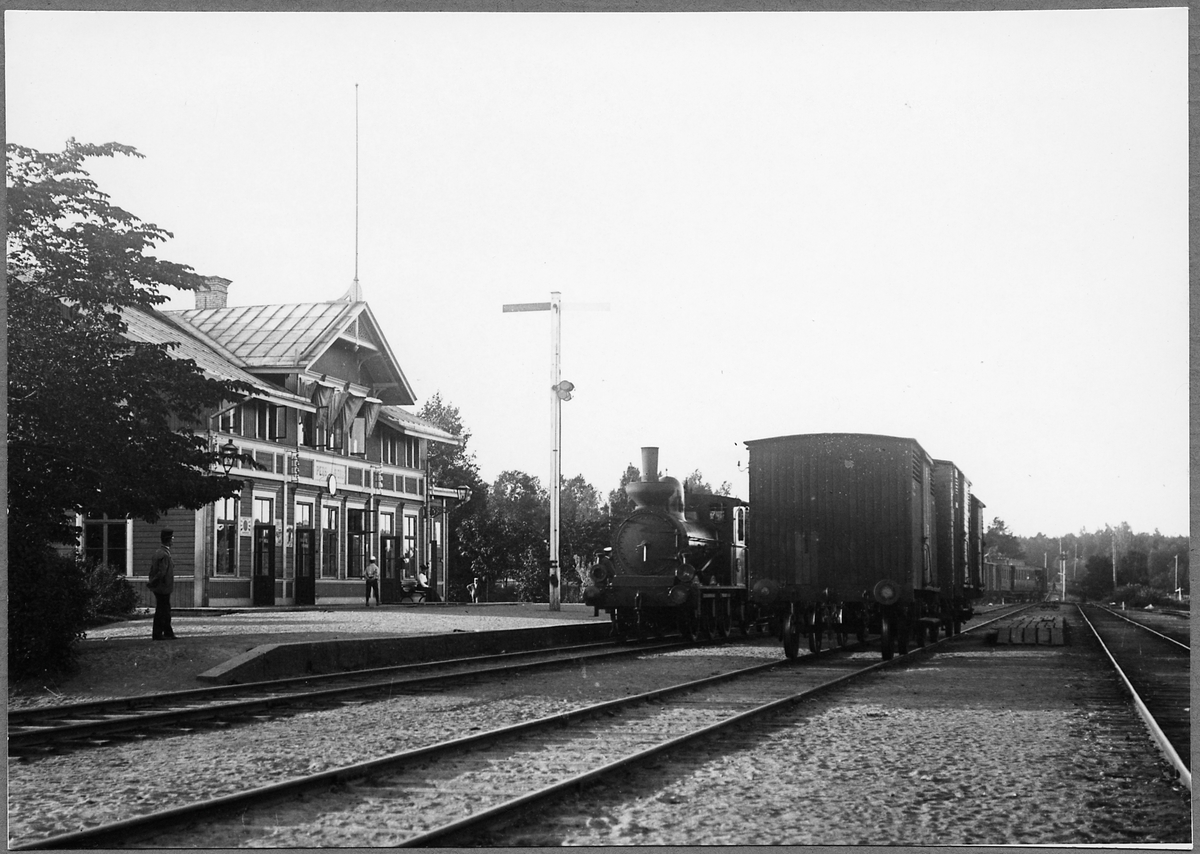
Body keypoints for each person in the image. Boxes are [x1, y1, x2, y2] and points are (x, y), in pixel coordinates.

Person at [148, 529, 176, 640]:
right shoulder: (164, 554)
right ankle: (158, 634)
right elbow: (162, 572)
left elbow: (152, 570)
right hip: (163, 587)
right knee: (162, 610)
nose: (173, 539)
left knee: (164, 610)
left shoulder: (159, 552)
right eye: (172, 537)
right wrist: (154, 582)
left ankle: (167, 632)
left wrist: (152, 582)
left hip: (160, 587)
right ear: (168, 540)